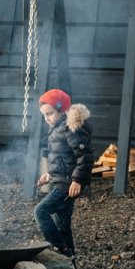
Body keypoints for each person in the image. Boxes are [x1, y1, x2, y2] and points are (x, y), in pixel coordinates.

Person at [34, 88, 92, 258]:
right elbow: (62, 159)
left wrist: (77, 180)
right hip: (60, 180)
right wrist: (49, 175)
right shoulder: (58, 129)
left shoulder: (72, 129)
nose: (47, 118)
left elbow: (85, 157)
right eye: (44, 115)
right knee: (63, 226)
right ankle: (70, 265)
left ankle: (61, 248)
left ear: (62, 110)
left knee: (41, 211)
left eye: (50, 113)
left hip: (67, 185)